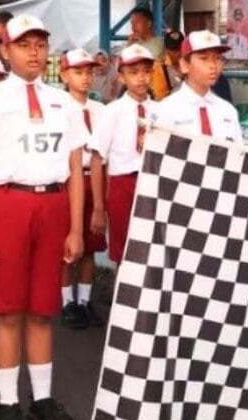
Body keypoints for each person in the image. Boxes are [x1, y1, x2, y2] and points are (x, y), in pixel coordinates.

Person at [0, 14, 87, 420]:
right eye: (24, 45)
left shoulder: (65, 104)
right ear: (6, 51)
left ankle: (41, 399)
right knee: (9, 310)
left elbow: (75, 168)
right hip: (8, 203)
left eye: (40, 44)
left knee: (42, 309)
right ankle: (7, 401)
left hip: (52, 205)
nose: (34, 52)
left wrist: (75, 228)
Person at [92, 43, 156, 267]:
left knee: (153, 245)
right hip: (123, 184)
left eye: (146, 71)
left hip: (153, 183)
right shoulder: (112, 112)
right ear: (121, 76)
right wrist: (99, 207)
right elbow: (97, 158)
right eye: (134, 72)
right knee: (124, 248)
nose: (141, 78)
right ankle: (122, 299)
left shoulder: (161, 111)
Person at [57, 48, 106, 330]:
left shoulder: (100, 110)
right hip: (68, 179)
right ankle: (66, 302)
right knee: (68, 244)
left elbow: (101, 154)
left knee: (90, 244)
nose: (86, 77)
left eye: (89, 71)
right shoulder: (59, 108)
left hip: (94, 177)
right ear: (64, 75)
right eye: (78, 72)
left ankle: (85, 300)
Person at [151, 31, 241, 142]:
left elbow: (237, 155)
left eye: (217, 58)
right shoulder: (165, 111)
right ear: (184, 65)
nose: (213, 65)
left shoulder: (228, 112)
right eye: (204, 58)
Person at [150, 30, 184, 101]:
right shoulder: (160, 68)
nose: (179, 53)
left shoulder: (191, 62)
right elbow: (160, 98)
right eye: (174, 50)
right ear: (166, 50)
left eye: (180, 48)